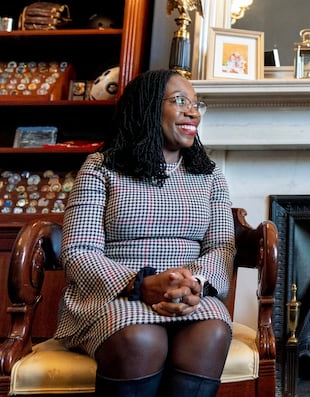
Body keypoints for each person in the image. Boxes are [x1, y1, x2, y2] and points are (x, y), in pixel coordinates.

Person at [55, 69, 235, 397]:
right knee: (142, 338)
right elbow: (79, 251)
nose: (193, 112)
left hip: (190, 295)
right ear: (148, 106)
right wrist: (141, 284)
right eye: (180, 101)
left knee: (211, 330)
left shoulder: (210, 175)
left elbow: (222, 246)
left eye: (196, 104)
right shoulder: (100, 167)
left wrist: (195, 284)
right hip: (112, 295)